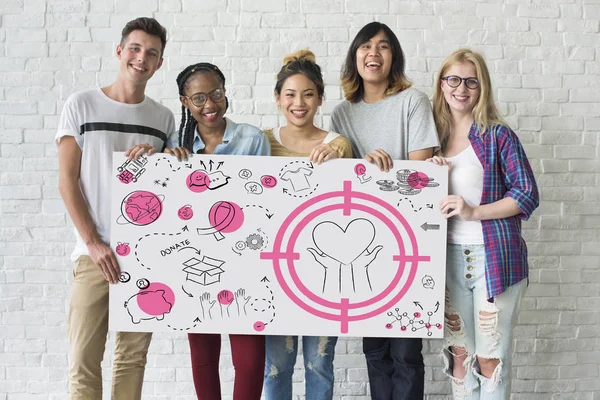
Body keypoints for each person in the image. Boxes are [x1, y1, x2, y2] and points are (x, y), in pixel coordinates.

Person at [56, 17, 185, 400]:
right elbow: (68, 181)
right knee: (82, 359)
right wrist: (95, 244)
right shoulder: (81, 105)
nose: (141, 58)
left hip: (144, 255)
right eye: (135, 48)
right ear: (119, 50)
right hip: (93, 254)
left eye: (151, 53)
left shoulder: (162, 118)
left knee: (132, 359)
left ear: (159, 63)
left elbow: (166, 189)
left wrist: (166, 158)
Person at [330, 21, 439, 400]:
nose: (373, 53)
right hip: (362, 242)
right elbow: (344, 178)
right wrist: (362, 164)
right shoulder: (342, 113)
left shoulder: (413, 101)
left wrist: (385, 164)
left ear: (394, 58)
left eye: (383, 46)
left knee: (406, 352)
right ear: (354, 56)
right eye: (365, 46)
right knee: (374, 349)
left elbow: (420, 177)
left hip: (408, 238)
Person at [428, 48, 539, 399]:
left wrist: (473, 211)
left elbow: (526, 195)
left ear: (482, 87)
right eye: (454, 80)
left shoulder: (497, 136)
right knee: (460, 357)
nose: (462, 88)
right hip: (447, 260)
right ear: (442, 85)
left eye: (471, 81)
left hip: (494, 260)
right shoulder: (431, 139)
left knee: (491, 360)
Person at [171, 62, 270, 400]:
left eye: (215, 94)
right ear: (185, 102)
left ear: (225, 92)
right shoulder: (175, 143)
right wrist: (159, 160)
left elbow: (265, 201)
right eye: (199, 98)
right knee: (203, 359)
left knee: (252, 362)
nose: (209, 104)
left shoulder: (251, 138)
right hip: (194, 263)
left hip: (246, 264)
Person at [262, 49, 352, 400]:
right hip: (276, 272)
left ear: (320, 100)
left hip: (324, 276)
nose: (299, 103)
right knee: (276, 368)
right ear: (277, 98)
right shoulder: (261, 140)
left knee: (319, 365)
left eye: (308, 94)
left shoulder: (337, 144)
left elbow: (357, 193)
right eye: (290, 94)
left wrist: (341, 157)